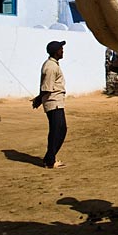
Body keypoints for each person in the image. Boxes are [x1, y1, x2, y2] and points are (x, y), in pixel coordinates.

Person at [32, 40, 67, 168]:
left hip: (56, 101)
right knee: (57, 131)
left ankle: (49, 157)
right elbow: (46, 87)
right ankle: (50, 160)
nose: (62, 51)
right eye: (60, 49)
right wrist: (39, 100)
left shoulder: (53, 65)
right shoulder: (51, 67)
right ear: (56, 52)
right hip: (53, 102)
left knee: (60, 130)